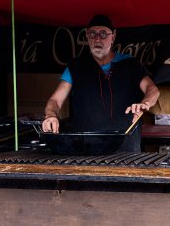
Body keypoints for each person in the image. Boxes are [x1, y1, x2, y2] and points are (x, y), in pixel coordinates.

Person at [42, 14, 160, 152]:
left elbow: (152, 89)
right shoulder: (76, 66)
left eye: (103, 34)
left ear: (113, 36)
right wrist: (51, 116)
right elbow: (55, 100)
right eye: (93, 33)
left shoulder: (130, 64)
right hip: (86, 148)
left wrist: (145, 103)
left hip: (125, 146)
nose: (98, 38)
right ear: (87, 36)